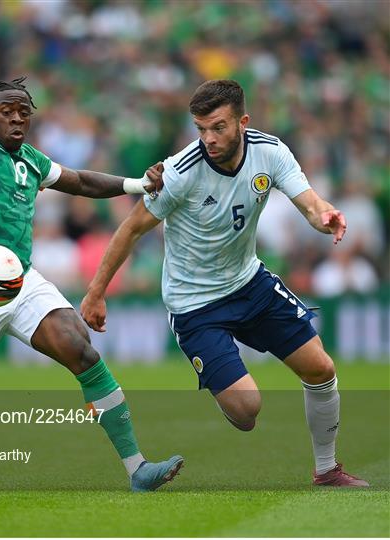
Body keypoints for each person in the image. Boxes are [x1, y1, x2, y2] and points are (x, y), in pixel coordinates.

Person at [0, 50, 183, 492]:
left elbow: (80, 181)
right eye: (7, 111)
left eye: (24, 112)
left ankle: (137, 468)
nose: (18, 118)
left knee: (80, 348)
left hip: (18, 278)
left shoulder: (32, 161)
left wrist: (135, 185)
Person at [81, 80, 369, 487]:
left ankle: (326, 470)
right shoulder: (180, 173)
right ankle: (224, 386)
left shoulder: (270, 152)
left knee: (321, 367)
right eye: (200, 129)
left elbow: (309, 203)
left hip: (249, 283)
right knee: (247, 410)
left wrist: (325, 216)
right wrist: (95, 292)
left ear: (242, 121)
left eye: (217, 127)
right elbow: (130, 229)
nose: (208, 139)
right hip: (195, 305)